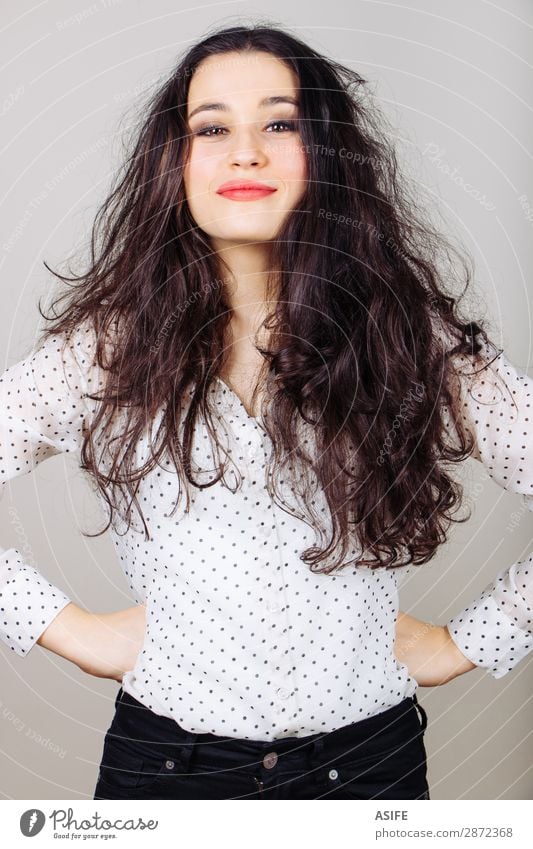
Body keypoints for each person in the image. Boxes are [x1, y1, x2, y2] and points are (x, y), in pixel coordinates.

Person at [1, 22, 532, 801]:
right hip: (165, 772)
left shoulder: (407, 334)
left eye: (279, 123)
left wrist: (469, 642)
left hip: (370, 772)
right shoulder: (108, 348)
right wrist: (70, 630)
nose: (244, 151)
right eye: (211, 127)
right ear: (173, 163)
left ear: (326, 154)